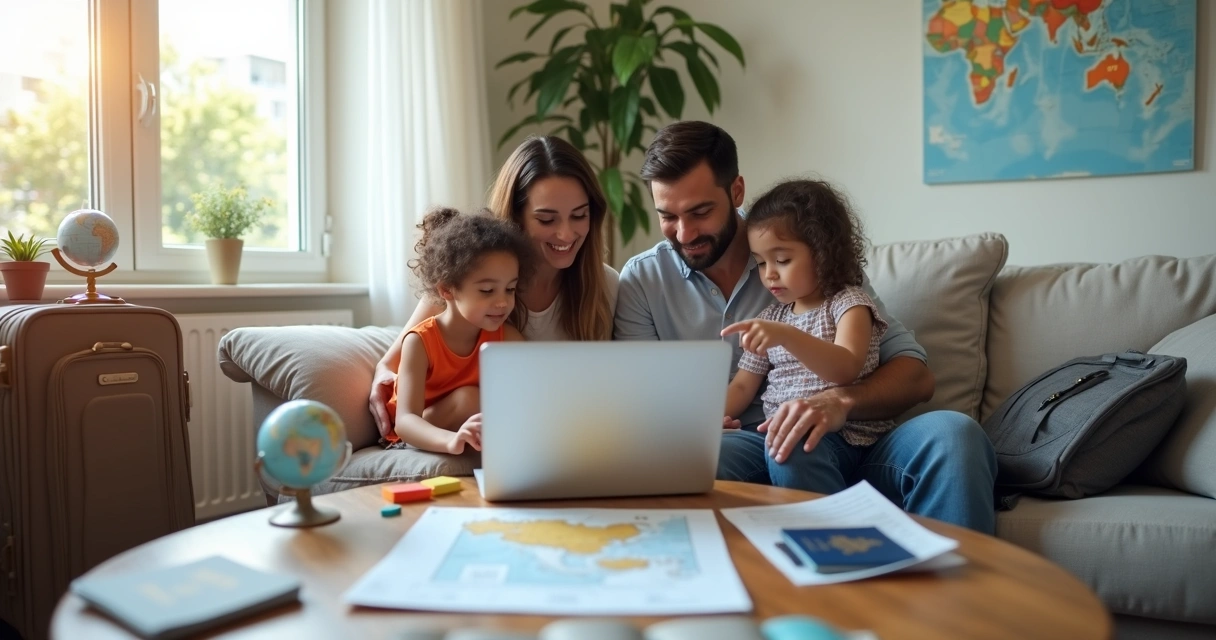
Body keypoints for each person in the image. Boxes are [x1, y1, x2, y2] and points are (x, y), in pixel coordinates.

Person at [614, 120, 997, 534]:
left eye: (700, 212)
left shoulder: (812, 256)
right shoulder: (642, 281)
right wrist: (693, 421)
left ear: (736, 191)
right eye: (667, 216)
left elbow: (916, 378)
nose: (684, 233)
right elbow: (642, 408)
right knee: (690, 461)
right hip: (759, 443)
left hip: (859, 436)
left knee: (955, 433)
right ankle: (835, 578)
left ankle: (961, 596)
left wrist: (839, 403)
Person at [370, 136, 620, 436]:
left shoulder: (606, 285)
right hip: (462, 425)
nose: (566, 234)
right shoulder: (465, 280)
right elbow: (392, 363)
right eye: (546, 219)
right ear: (515, 219)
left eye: (579, 216)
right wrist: (382, 376)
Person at [723, 178, 901, 485]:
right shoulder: (772, 316)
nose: (770, 274)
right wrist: (700, 424)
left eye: (782, 260)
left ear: (822, 251)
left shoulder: (849, 304)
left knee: (792, 445)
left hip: (843, 437)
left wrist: (787, 336)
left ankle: (831, 530)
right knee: (711, 452)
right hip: (773, 434)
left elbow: (845, 368)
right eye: (761, 263)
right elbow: (742, 387)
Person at [386, 207, 533, 454]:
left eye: (510, 289)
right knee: (470, 399)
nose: (503, 303)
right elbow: (405, 421)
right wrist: (450, 441)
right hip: (416, 432)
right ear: (447, 290)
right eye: (487, 291)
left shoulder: (507, 338)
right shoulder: (419, 342)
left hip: (476, 424)